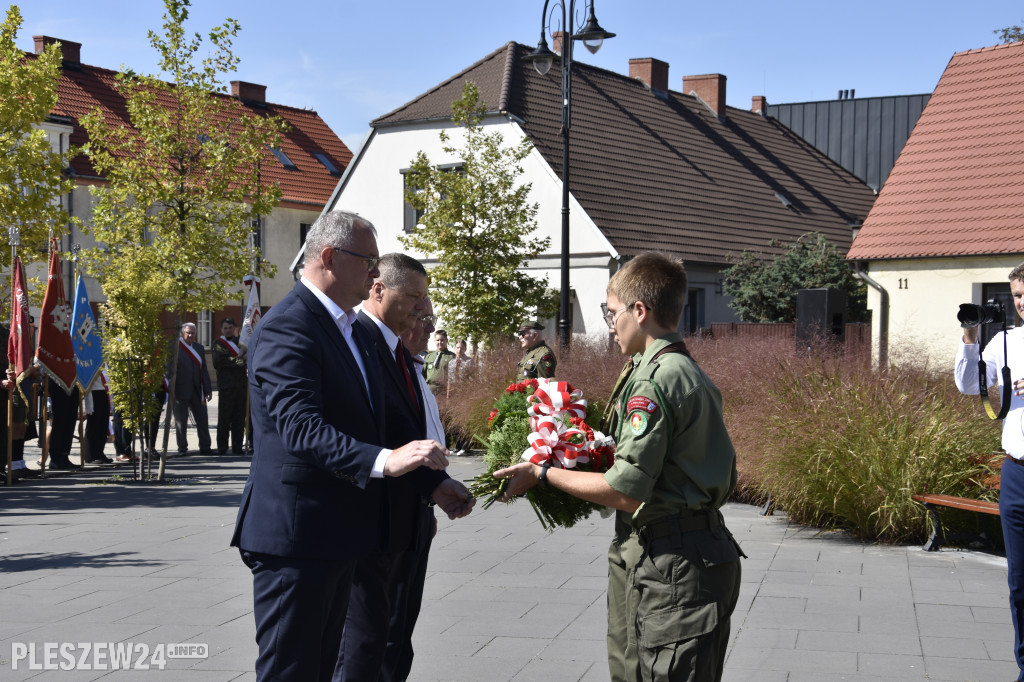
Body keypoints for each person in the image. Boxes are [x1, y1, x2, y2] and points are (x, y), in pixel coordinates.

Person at [230, 210, 473, 682]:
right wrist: (386, 460)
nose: (374, 272)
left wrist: (431, 480)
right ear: (328, 257)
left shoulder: (345, 331)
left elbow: (376, 424)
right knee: (292, 671)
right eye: (368, 260)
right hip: (297, 538)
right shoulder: (289, 326)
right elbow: (299, 428)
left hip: (340, 534)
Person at [496, 253, 743, 682]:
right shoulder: (659, 369)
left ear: (640, 311)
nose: (611, 324)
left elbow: (626, 489)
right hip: (665, 551)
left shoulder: (656, 379)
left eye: (612, 313)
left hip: (675, 561)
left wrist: (541, 472)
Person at [341, 255, 474, 682]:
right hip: (370, 522)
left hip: (407, 515)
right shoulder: (357, 341)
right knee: (364, 646)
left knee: (395, 637)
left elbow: (405, 429)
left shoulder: (394, 349)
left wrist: (434, 487)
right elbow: (358, 432)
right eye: (415, 298)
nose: (423, 310)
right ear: (378, 288)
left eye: (426, 301)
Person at [955, 262, 1024, 681]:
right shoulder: (1006, 341)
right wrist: (970, 335)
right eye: (1017, 295)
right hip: (1016, 475)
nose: (1022, 303)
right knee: (1019, 584)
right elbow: (968, 385)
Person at [172, 322, 212, 456]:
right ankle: (182, 448)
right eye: (188, 332)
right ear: (182, 333)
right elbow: (170, 371)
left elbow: (204, 370)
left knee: (202, 419)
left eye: (193, 333)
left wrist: (207, 389)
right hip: (180, 390)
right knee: (180, 422)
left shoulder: (199, 348)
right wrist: (171, 390)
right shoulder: (175, 347)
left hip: (197, 390)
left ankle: (205, 447)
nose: (190, 335)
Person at [213, 317, 248, 454]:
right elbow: (220, 361)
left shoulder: (241, 343)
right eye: (225, 328)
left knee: (239, 419)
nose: (228, 330)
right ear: (221, 329)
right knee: (224, 419)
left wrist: (240, 360)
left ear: (235, 328)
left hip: (241, 386)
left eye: (230, 328)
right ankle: (222, 448)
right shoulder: (218, 343)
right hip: (226, 386)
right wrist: (241, 361)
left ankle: (237, 447)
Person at [82, 371, 114, 465]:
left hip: (104, 388)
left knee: (103, 423)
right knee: (94, 424)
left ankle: (99, 452)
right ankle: (90, 455)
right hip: (93, 389)